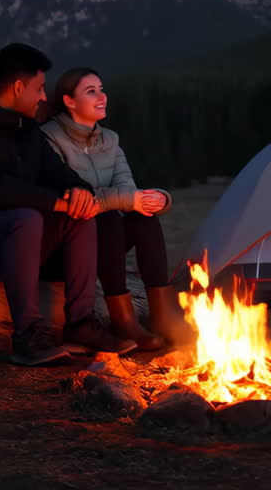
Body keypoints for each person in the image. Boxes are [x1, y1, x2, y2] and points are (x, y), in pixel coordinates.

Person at [0, 44, 138, 366]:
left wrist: (78, 190)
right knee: (27, 218)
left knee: (80, 215)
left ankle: (80, 324)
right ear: (18, 87)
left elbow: (57, 172)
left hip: (12, 242)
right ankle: (27, 336)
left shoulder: (25, 129)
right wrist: (58, 203)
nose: (44, 97)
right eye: (39, 88)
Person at [41, 67, 192, 350]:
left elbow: (128, 189)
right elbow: (72, 201)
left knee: (142, 217)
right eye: (91, 91)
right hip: (65, 246)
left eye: (102, 89)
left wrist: (159, 198)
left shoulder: (109, 140)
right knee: (109, 217)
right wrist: (123, 199)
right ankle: (124, 322)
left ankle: (161, 317)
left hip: (104, 243)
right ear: (69, 101)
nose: (102, 97)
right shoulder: (49, 139)